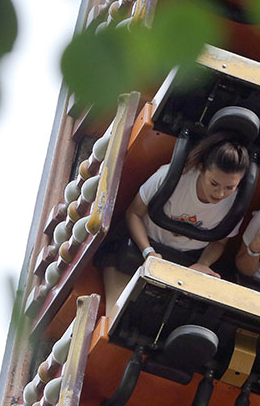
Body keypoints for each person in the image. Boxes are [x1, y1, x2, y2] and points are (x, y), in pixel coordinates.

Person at [99, 132, 248, 318]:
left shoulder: (235, 204)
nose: (220, 194)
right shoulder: (169, 177)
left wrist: (203, 264)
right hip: (140, 249)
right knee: (118, 312)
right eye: (214, 183)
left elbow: (219, 242)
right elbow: (134, 213)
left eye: (229, 188)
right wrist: (149, 252)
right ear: (201, 168)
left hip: (186, 260)